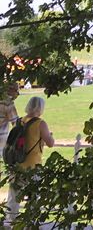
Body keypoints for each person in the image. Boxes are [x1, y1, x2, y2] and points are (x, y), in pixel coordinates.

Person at [4, 96, 55, 225]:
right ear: (41, 107)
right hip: (33, 165)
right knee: (33, 197)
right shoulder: (40, 123)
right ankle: (30, 222)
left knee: (14, 196)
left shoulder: (20, 121)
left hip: (17, 164)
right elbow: (50, 143)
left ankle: (11, 222)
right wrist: (51, 136)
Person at [0, 85, 19, 156]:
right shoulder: (7, 103)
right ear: (10, 90)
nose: (18, 94)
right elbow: (16, 123)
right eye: (16, 91)